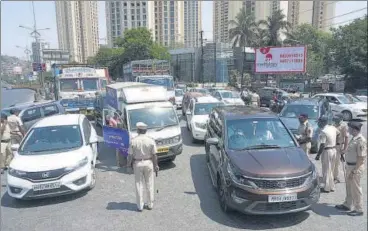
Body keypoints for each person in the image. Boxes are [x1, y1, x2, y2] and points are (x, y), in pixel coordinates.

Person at [335, 122, 366, 216]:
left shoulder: (361, 140)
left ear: (355, 130)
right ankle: (348, 204)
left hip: (355, 168)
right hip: (350, 166)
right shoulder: (354, 139)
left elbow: (361, 158)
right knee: (349, 187)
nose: (348, 130)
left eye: (350, 128)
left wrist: (354, 171)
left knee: (356, 189)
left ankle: (359, 209)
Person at [127, 122, 159, 212]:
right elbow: (154, 155)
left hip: (137, 164)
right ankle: (150, 204)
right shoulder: (151, 140)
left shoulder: (133, 141)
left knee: (139, 184)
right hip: (148, 163)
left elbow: (130, 155)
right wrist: (156, 165)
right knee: (149, 183)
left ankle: (140, 206)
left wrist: (128, 165)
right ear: (146, 130)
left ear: (138, 130)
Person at [315, 116, 340, 193]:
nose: (318, 123)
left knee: (326, 170)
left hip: (327, 151)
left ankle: (326, 187)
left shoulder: (323, 131)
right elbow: (338, 134)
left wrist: (318, 155)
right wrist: (336, 143)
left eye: (319, 122)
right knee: (331, 170)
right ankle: (331, 186)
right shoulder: (332, 127)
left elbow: (322, 145)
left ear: (323, 122)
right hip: (334, 150)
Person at [333, 114, 349, 183]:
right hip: (332, 146)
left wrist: (345, 149)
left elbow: (346, 137)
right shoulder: (333, 124)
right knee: (332, 162)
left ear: (340, 118)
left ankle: (336, 177)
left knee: (336, 163)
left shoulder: (343, 126)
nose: (334, 119)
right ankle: (332, 176)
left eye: (336, 118)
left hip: (338, 146)